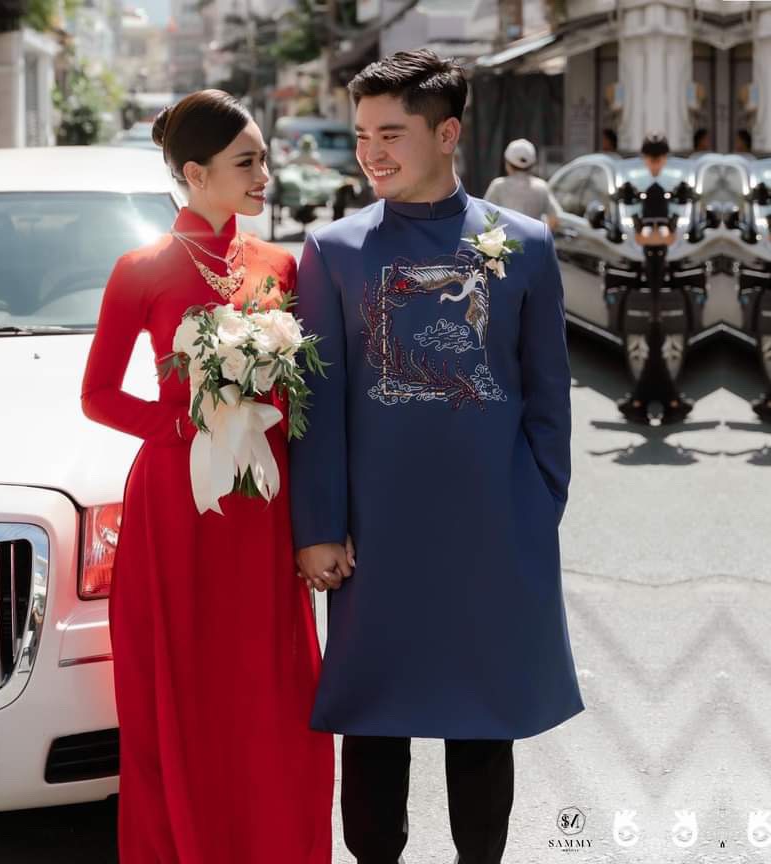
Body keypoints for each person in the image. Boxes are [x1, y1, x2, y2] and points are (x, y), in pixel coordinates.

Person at [290, 50, 585, 864]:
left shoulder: (522, 244)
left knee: (484, 722)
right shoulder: (333, 250)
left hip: (493, 529)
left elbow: (548, 396)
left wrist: (538, 505)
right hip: (377, 537)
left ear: (447, 133)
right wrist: (318, 527)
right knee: (374, 721)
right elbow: (317, 404)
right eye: (362, 135)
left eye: (391, 133)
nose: (371, 152)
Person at [80, 89, 334, 863]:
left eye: (264, 160)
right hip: (177, 504)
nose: (265, 176)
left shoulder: (281, 264)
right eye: (247, 162)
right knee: (185, 684)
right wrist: (187, 425)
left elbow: (307, 398)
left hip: (263, 505)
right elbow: (98, 395)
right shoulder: (141, 269)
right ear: (196, 173)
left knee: (270, 684)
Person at [615, 132, 695, 425]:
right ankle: (664, 401)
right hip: (648, 274)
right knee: (654, 339)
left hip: (662, 274)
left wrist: (655, 236)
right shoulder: (640, 188)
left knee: (656, 339)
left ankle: (646, 401)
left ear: (666, 158)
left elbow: (668, 236)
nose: (655, 162)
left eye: (659, 157)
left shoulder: (669, 188)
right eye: (651, 157)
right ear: (644, 158)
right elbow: (642, 236)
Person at [482, 138, 563, 231]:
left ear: (507, 164)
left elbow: (485, 215)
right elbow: (555, 219)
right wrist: (541, 235)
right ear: (532, 164)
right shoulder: (541, 187)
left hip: (505, 239)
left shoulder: (498, 186)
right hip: (533, 238)